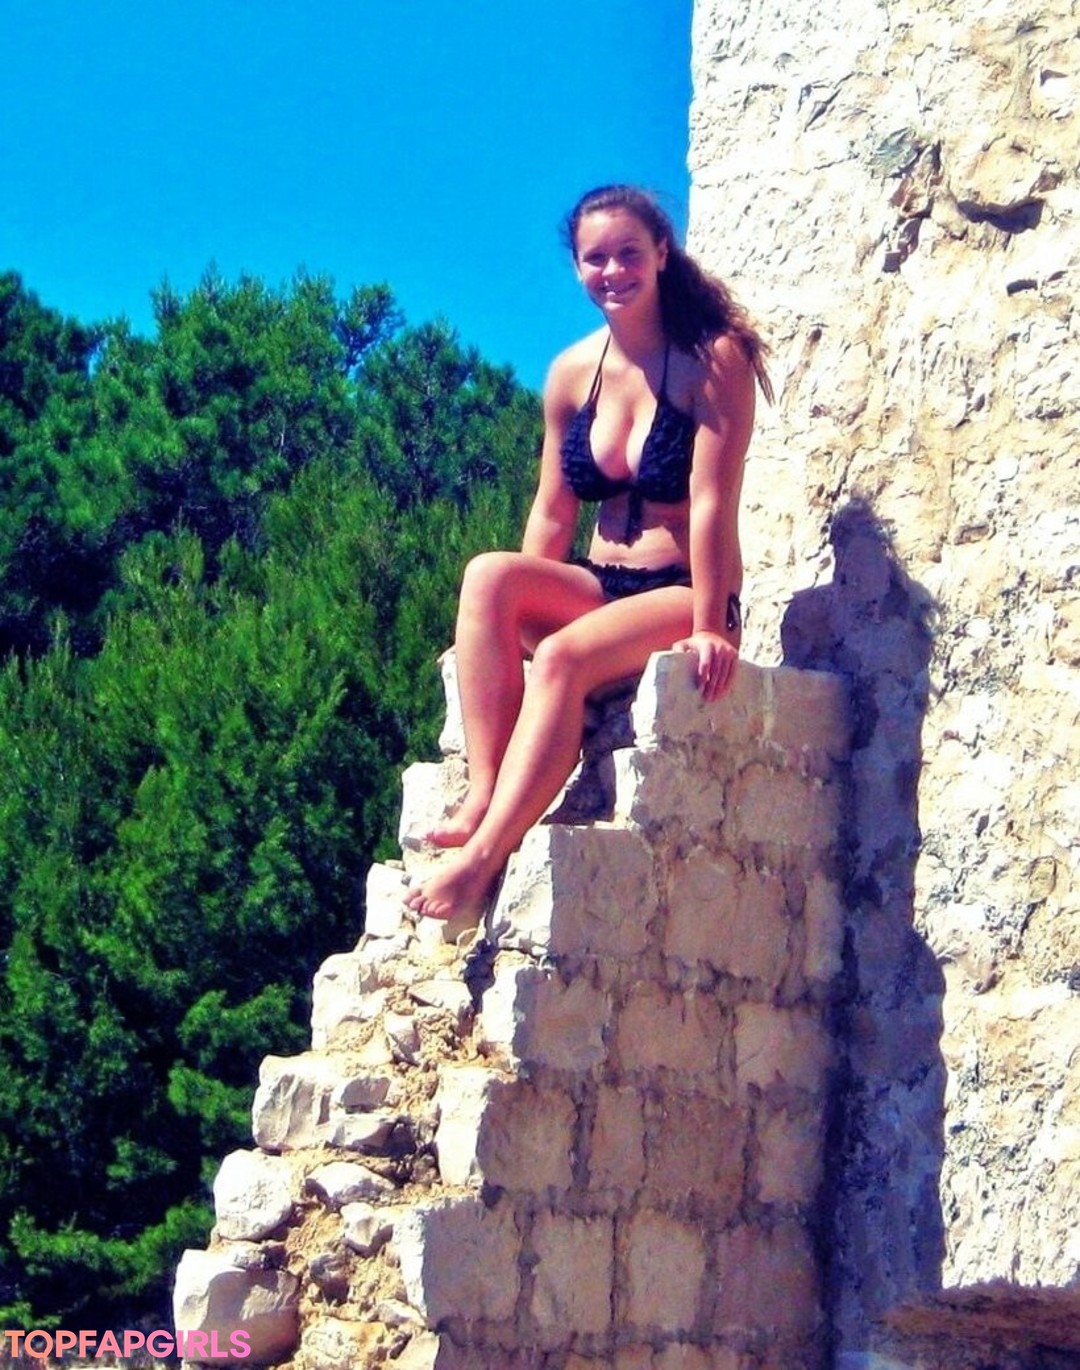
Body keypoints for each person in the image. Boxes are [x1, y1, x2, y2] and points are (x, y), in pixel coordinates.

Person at [405, 183, 772, 922]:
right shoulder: (574, 373)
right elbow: (552, 510)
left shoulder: (712, 360)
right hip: (601, 582)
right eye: (595, 259)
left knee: (564, 657)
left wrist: (712, 624)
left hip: (681, 591)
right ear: (576, 267)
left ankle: (481, 861)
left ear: (661, 254)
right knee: (488, 576)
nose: (613, 272)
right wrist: (513, 613)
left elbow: (711, 502)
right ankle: (485, 789)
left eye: (628, 254)